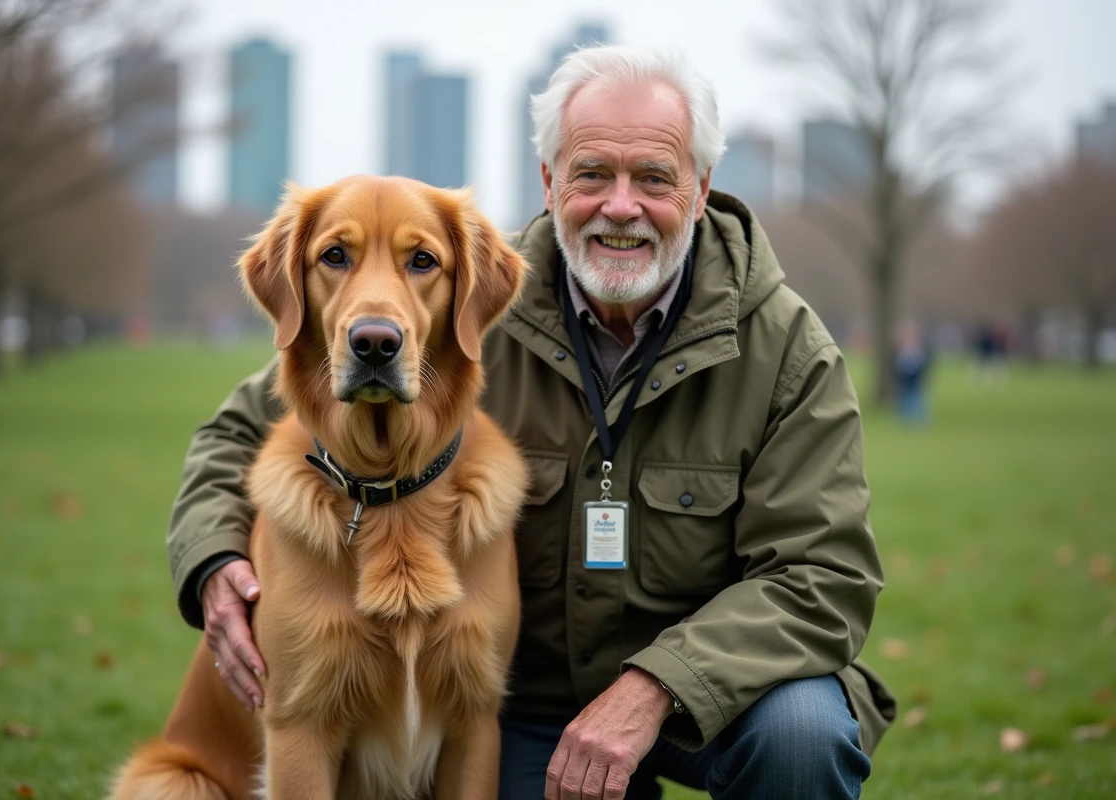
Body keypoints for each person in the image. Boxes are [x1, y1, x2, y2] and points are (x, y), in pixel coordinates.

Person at [165, 46, 895, 800]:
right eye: (590, 174)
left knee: (805, 736)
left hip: (715, 699)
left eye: (652, 177)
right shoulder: (466, 300)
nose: (620, 206)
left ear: (701, 186)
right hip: (534, 712)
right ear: (548, 182)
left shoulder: (789, 352)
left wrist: (656, 686)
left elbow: (822, 576)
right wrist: (215, 562)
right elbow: (239, 432)